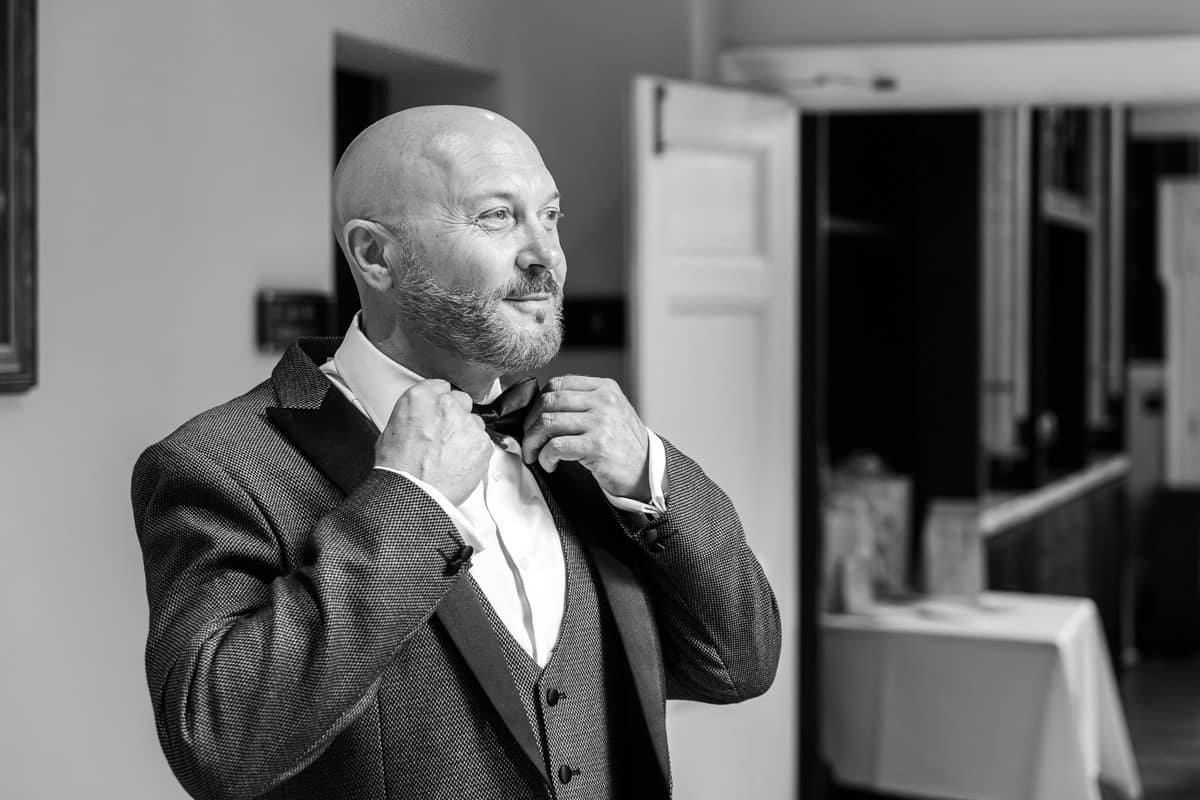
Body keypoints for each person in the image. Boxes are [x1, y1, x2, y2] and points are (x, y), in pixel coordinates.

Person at [131, 105, 780, 800]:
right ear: (377, 256)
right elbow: (220, 745)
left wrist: (651, 473)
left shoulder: (586, 451)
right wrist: (411, 506)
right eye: (498, 217)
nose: (545, 256)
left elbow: (740, 665)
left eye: (550, 216)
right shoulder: (218, 463)